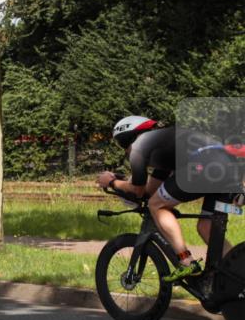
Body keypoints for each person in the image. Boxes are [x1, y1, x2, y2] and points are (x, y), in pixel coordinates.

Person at [95, 116, 231, 283]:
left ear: (125, 139)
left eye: (120, 144)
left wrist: (112, 182)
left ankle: (186, 261)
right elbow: (150, 189)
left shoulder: (138, 147)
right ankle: (238, 271)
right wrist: (125, 183)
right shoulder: (161, 145)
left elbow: (138, 191)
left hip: (202, 165)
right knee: (206, 227)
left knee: (157, 206)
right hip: (226, 166)